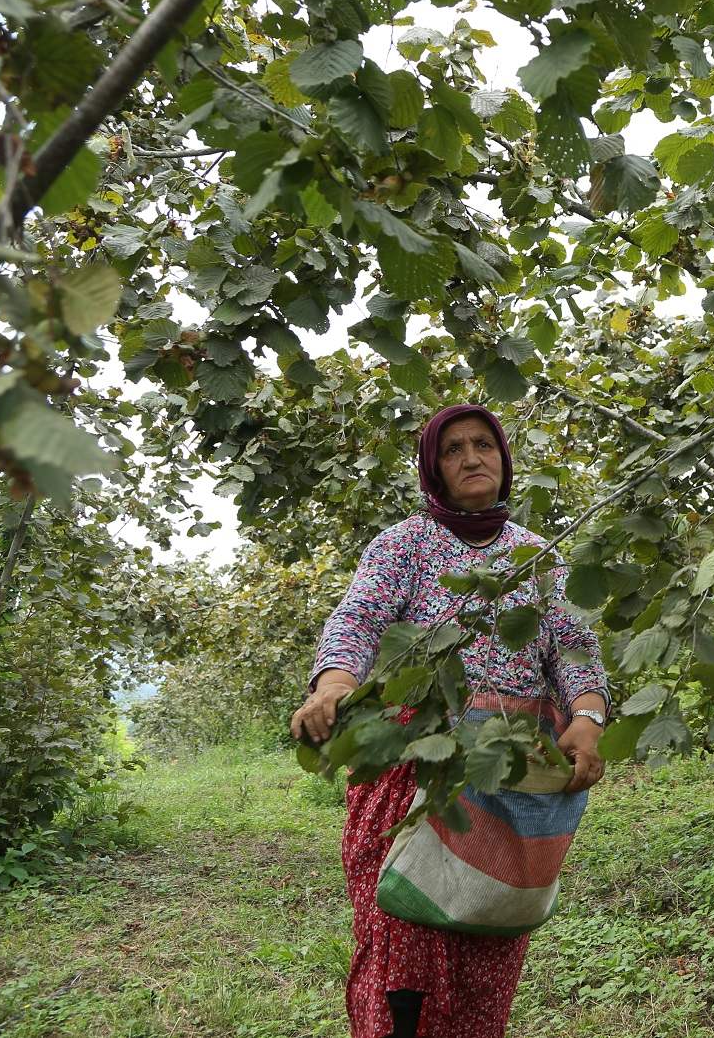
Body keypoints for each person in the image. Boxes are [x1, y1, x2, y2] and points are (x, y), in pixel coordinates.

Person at [291, 404, 611, 1038]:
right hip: (414, 767)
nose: (472, 458)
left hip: (506, 773)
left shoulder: (535, 555)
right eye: (454, 449)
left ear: (504, 459)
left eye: (484, 445)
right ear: (433, 468)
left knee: (485, 930)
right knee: (403, 929)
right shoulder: (403, 545)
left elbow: (576, 647)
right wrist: (333, 682)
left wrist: (588, 716)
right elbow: (358, 620)